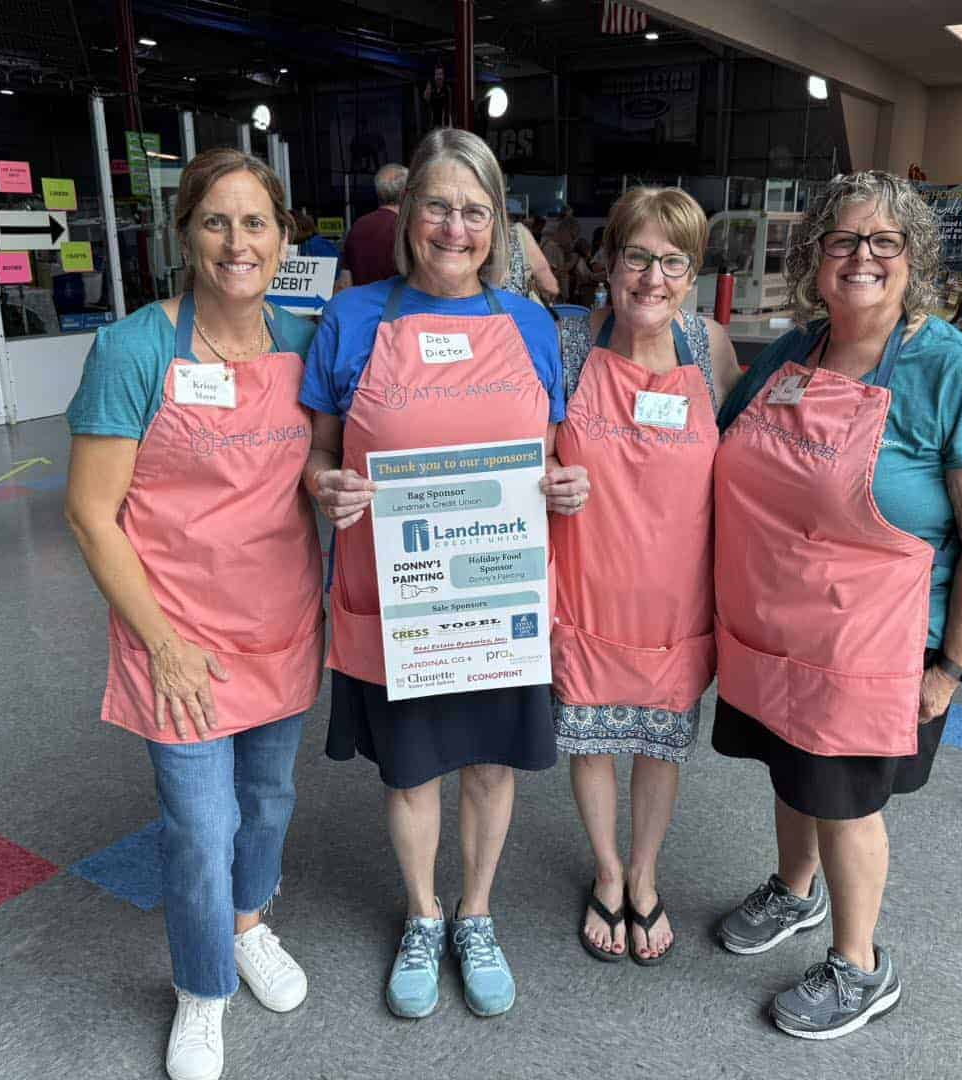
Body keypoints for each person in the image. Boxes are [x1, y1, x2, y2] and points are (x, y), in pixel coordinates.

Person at [710, 170, 962, 1039]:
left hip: (878, 645)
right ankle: (795, 891)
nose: (861, 257)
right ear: (814, 255)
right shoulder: (794, 352)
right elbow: (718, 443)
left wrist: (953, 670)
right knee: (792, 769)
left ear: (913, 258)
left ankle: (860, 965)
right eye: (843, 240)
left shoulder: (957, 372)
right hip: (778, 626)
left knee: (846, 801)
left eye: (883, 242)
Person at [300, 127, 589, 1021]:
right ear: (405, 215)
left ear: (496, 223)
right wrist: (325, 485)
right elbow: (315, 452)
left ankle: (476, 912)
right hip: (403, 602)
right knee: (411, 771)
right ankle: (422, 913)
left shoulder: (530, 322)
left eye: (474, 210)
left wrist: (566, 487)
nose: (454, 228)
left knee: (492, 766)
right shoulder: (353, 318)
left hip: (494, 595)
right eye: (438, 206)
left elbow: (547, 457)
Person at [64, 148, 324, 1080]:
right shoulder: (133, 348)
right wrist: (164, 646)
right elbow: (92, 514)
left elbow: (313, 475)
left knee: (268, 804)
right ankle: (204, 988)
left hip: (281, 624)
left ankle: (251, 923)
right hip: (172, 635)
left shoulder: (304, 342)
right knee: (199, 828)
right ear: (184, 235)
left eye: (255, 222)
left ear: (285, 237)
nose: (236, 241)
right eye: (215, 221)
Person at [551, 187, 742, 965]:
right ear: (609, 262)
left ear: (692, 272)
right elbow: (523, 445)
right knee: (591, 735)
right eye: (637, 256)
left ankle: (644, 872)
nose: (652, 277)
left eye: (673, 260)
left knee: (662, 741)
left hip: (677, 587)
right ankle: (605, 868)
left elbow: (748, 464)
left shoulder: (711, 348)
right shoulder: (568, 341)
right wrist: (545, 476)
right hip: (587, 577)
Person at [338, 163, 408, 291]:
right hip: (399, 308)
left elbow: (345, 282)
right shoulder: (405, 229)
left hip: (362, 307)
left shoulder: (357, 227)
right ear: (405, 193)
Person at [498, 212, 559, 302]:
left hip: (478, 311)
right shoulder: (517, 232)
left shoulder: (476, 235)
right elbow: (549, 286)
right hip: (517, 309)